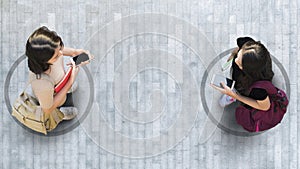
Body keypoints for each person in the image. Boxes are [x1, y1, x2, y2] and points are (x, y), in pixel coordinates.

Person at [26, 26, 91, 130]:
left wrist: (80, 54)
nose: (61, 53)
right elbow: (47, 109)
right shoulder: (42, 83)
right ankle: (60, 114)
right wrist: (70, 82)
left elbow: (72, 52)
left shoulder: (52, 50)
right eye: (56, 56)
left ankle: (66, 88)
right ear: (44, 61)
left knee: (68, 86)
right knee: (57, 105)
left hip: (59, 82)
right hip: (52, 97)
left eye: (60, 48)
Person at [212, 37, 274, 111]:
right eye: (239, 54)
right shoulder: (249, 47)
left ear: (248, 70)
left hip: (245, 89)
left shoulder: (258, 90)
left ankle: (233, 95)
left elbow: (265, 107)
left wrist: (235, 96)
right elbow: (238, 49)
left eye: (240, 63)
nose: (236, 60)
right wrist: (233, 54)